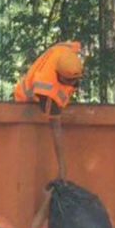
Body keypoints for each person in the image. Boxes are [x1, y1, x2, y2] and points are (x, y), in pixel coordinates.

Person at [13, 41, 83, 180]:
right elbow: (56, 129)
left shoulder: (67, 55)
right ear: (59, 75)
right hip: (24, 101)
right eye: (69, 81)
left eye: (75, 80)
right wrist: (62, 168)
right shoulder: (46, 90)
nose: (72, 85)